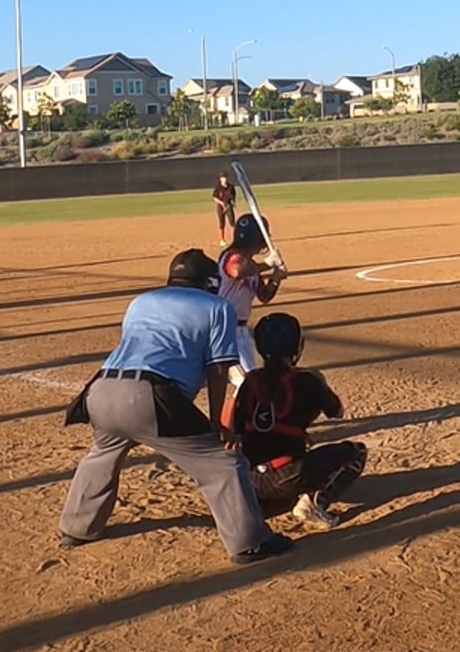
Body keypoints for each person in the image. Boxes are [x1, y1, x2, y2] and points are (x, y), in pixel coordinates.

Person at [58, 248, 294, 564]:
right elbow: (218, 368)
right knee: (224, 463)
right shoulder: (218, 307)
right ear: (210, 282)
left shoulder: (141, 301)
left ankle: (76, 528)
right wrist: (216, 422)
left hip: (100, 390)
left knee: (102, 454)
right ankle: (249, 541)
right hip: (150, 396)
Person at [224, 312, 366, 530]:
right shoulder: (306, 379)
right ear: (296, 347)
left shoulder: (249, 381)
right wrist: (318, 387)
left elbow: (233, 426)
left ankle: (256, 504)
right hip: (288, 475)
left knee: (274, 473)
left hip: (249, 480)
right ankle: (313, 504)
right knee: (356, 452)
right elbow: (336, 412)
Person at [218, 214, 282, 387]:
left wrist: (276, 278)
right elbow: (237, 270)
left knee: (251, 386)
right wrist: (267, 264)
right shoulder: (231, 257)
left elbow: (265, 296)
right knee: (249, 385)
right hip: (226, 331)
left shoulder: (251, 266)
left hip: (242, 333)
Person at [212, 172, 238, 246]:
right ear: (220, 179)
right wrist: (221, 203)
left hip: (228, 206)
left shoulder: (230, 187)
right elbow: (214, 197)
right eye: (223, 178)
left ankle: (234, 239)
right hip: (220, 207)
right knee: (222, 223)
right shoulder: (218, 188)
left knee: (232, 222)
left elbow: (233, 195)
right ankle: (222, 240)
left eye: (225, 177)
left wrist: (233, 203)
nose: (224, 179)